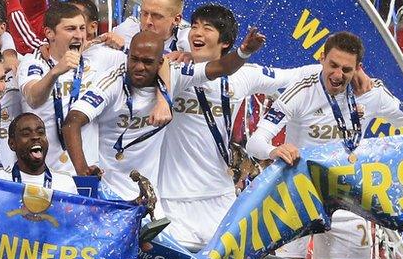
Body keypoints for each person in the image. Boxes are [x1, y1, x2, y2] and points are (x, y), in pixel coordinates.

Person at [247, 31, 403, 259]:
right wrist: (273, 149)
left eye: (346, 70)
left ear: (358, 68)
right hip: (298, 195)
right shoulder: (301, 91)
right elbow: (255, 142)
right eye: (333, 66)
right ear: (321, 59)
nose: (338, 75)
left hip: (347, 197)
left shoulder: (372, 94)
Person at [158, 4, 319, 245]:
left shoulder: (244, 75)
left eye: (207, 28)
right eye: (195, 27)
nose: (197, 33)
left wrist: (342, 70)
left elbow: (295, 76)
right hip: (172, 198)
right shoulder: (174, 70)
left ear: (225, 42)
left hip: (220, 197)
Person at [62, 28, 265, 202]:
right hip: (108, 188)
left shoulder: (175, 75)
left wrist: (244, 52)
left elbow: (220, 67)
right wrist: (83, 171)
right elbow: (72, 122)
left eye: (147, 62)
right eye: (134, 59)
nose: (139, 67)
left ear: (161, 62)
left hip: (148, 195)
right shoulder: (112, 82)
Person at [18, 2, 137, 175]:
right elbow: (33, 98)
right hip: (43, 171)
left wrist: (122, 45)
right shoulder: (34, 62)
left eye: (82, 28)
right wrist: (55, 72)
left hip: (86, 170)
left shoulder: (100, 57)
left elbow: (150, 62)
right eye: (70, 29)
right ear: (49, 33)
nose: (79, 35)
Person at [99, 0, 191, 54]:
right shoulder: (126, 31)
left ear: (176, 20)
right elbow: (88, 52)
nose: (147, 22)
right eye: (144, 13)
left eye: (156, 16)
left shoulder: (189, 42)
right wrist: (103, 40)